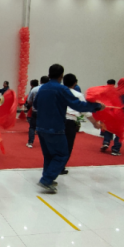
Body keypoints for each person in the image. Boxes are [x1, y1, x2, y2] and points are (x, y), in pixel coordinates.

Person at [33, 64, 104, 193]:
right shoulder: (62, 89)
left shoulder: (42, 88)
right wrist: (97, 106)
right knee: (62, 154)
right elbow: (78, 105)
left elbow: (36, 105)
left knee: (49, 155)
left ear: (49, 74)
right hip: (56, 127)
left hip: (41, 127)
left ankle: (47, 177)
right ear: (61, 75)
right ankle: (46, 180)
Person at [62, 73, 86, 174]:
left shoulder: (59, 92)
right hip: (70, 122)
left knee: (57, 144)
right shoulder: (78, 95)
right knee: (68, 145)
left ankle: (53, 165)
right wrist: (95, 122)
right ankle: (61, 166)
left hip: (58, 120)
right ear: (75, 83)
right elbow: (85, 110)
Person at [25, 78, 44, 148]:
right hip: (46, 112)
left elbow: (29, 101)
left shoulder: (34, 89)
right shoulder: (51, 89)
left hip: (35, 110)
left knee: (32, 127)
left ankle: (30, 142)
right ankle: (44, 143)